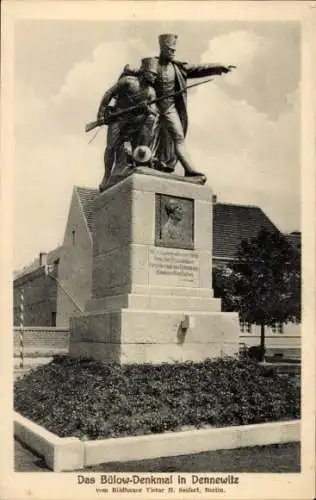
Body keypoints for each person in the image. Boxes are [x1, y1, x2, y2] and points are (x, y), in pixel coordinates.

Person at [124, 34, 235, 183]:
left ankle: (190, 170)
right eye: (169, 50)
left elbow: (199, 69)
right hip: (153, 107)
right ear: (162, 48)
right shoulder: (151, 64)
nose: (172, 53)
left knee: (179, 137)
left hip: (170, 108)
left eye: (174, 50)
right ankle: (141, 162)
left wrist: (218, 67)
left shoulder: (178, 67)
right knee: (146, 137)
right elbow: (137, 75)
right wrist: (128, 71)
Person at [97, 57, 159, 192]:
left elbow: (153, 111)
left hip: (135, 121)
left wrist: (147, 109)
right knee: (111, 147)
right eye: (153, 74)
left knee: (148, 122)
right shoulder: (128, 82)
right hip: (118, 118)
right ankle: (106, 176)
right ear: (145, 72)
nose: (155, 77)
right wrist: (101, 114)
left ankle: (139, 162)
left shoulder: (151, 92)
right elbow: (109, 94)